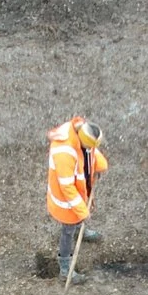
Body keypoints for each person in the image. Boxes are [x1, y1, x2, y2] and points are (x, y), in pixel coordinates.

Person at [45, 116, 108, 280]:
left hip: (80, 188)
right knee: (68, 230)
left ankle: (81, 228)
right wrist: (81, 211)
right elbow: (67, 188)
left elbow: (91, 151)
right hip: (66, 202)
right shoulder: (64, 153)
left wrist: (98, 164)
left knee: (79, 216)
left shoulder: (82, 133)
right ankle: (65, 269)